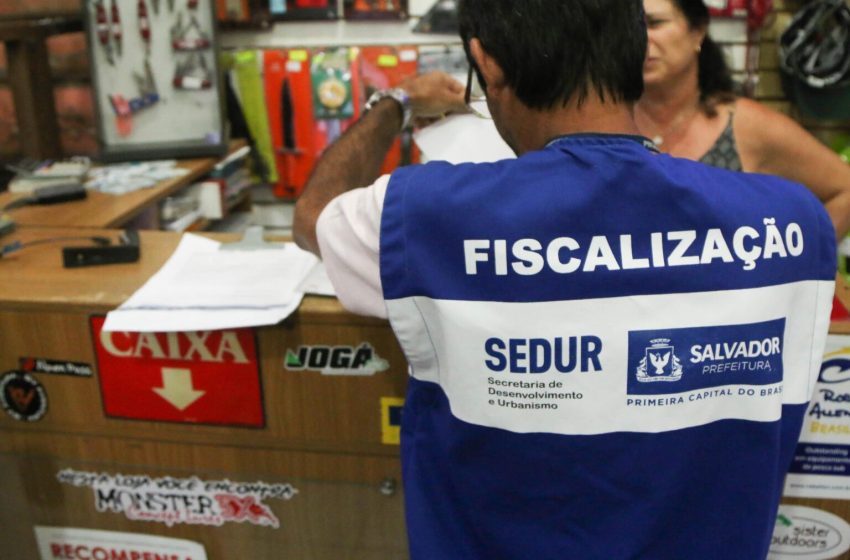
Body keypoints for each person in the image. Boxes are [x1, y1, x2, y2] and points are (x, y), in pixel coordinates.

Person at [293, 0, 836, 558]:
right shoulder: (794, 221)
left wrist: (396, 101)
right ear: (633, 50)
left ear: (489, 64)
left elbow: (314, 217)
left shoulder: (426, 213)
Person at [637, 0, 850, 236]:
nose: (641, 38)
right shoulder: (607, 122)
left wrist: (804, 257)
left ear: (697, 31)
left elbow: (845, 187)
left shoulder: (745, 126)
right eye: (632, 27)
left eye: (655, 23)